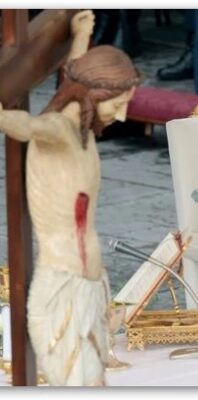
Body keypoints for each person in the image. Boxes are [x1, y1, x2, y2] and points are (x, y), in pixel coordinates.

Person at [0, 10, 141, 386]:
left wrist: (80, 33)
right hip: (61, 287)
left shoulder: (83, 128)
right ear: (95, 94)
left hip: (89, 284)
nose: (123, 116)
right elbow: (29, 126)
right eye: (117, 104)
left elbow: (75, 74)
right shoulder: (61, 130)